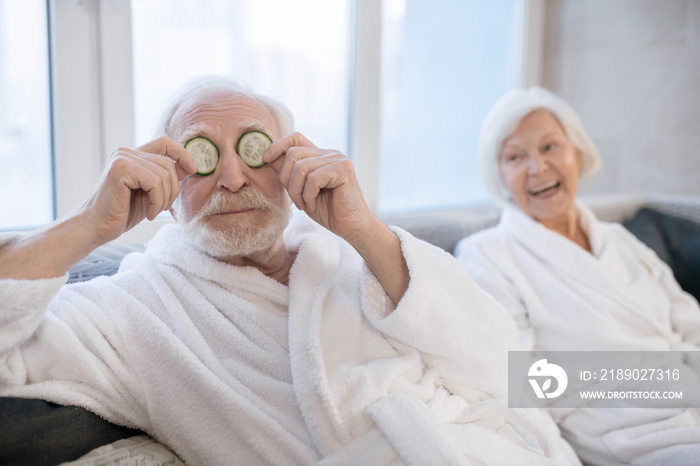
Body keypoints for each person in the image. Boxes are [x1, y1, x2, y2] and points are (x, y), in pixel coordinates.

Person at [0, 77, 580, 465]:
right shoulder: (133, 311)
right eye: (201, 156)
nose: (231, 177)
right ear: (169, 191)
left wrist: (366, 231)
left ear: (290, 162)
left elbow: (500, 365)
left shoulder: (355, 258)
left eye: (252, 150)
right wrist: (83, 227)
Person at [454, 86, 700, 466]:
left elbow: (689, 320)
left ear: (577, 152)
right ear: (500, 174)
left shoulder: (619, 240)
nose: (537, 167)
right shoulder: (487, 254)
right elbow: (519, 378)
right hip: (623, 432)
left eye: (550, 147)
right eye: (515, 156)